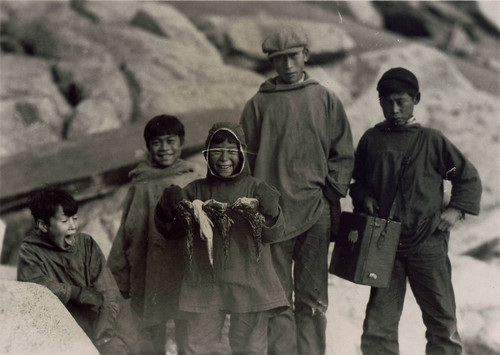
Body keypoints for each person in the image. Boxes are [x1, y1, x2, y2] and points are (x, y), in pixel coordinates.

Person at [350, 67, 482, 354]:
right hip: (386, 245)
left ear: (416, 99)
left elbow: (466, 177)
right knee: (378, 325)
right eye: (387, 102)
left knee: (441, 321)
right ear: (380, 102)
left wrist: (456, 209)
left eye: (401, 101)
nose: (394, 109)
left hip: (428, 243)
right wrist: (364, 199)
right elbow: (357, 181)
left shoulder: (432, 141)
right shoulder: (372, 140)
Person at [240, 26, 355, 355]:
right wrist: (255, 204)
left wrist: (329, 195)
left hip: (314, 213)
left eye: (293, 57)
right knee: (277, 299)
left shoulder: (325, 98)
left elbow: (342, 153)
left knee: (313, 298)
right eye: (279, 59)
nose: (288, 65)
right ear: (271, 62)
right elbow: (244, 159)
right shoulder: (258, 104)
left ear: (306, 55)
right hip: (271, 217)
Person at [154, 122, 289, 355]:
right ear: (207, 154)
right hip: (205, 283)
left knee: (251, 347)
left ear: (242, 153)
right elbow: (171, 231)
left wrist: (272, 211)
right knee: (197, 346)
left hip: (250, 281)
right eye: (216, 151)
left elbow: (273, 234)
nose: (224, 158)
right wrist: (165, 208)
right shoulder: (195, 191)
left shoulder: (256, 188)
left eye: (231, 151)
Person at [107, 114, 204, 354]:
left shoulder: (191, 179)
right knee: (151, 333)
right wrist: (119, 274)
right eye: (157, 142)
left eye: (171, 141)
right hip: (149, 267)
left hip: (183, 267)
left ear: (181, 143)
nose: (164, 148)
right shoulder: (140, 183)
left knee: (189, 331)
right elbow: (127, 229)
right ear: (148, 147)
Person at [17, 188, 129, 354]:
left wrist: (104, 330)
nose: (73, 227)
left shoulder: (86, 244)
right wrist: (76, 293)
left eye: (75, 219)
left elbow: (108, 290)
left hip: (98, 323)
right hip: (61, 332)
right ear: (43, 225)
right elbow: (36, 288)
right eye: (64, 221)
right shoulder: (30, 251)